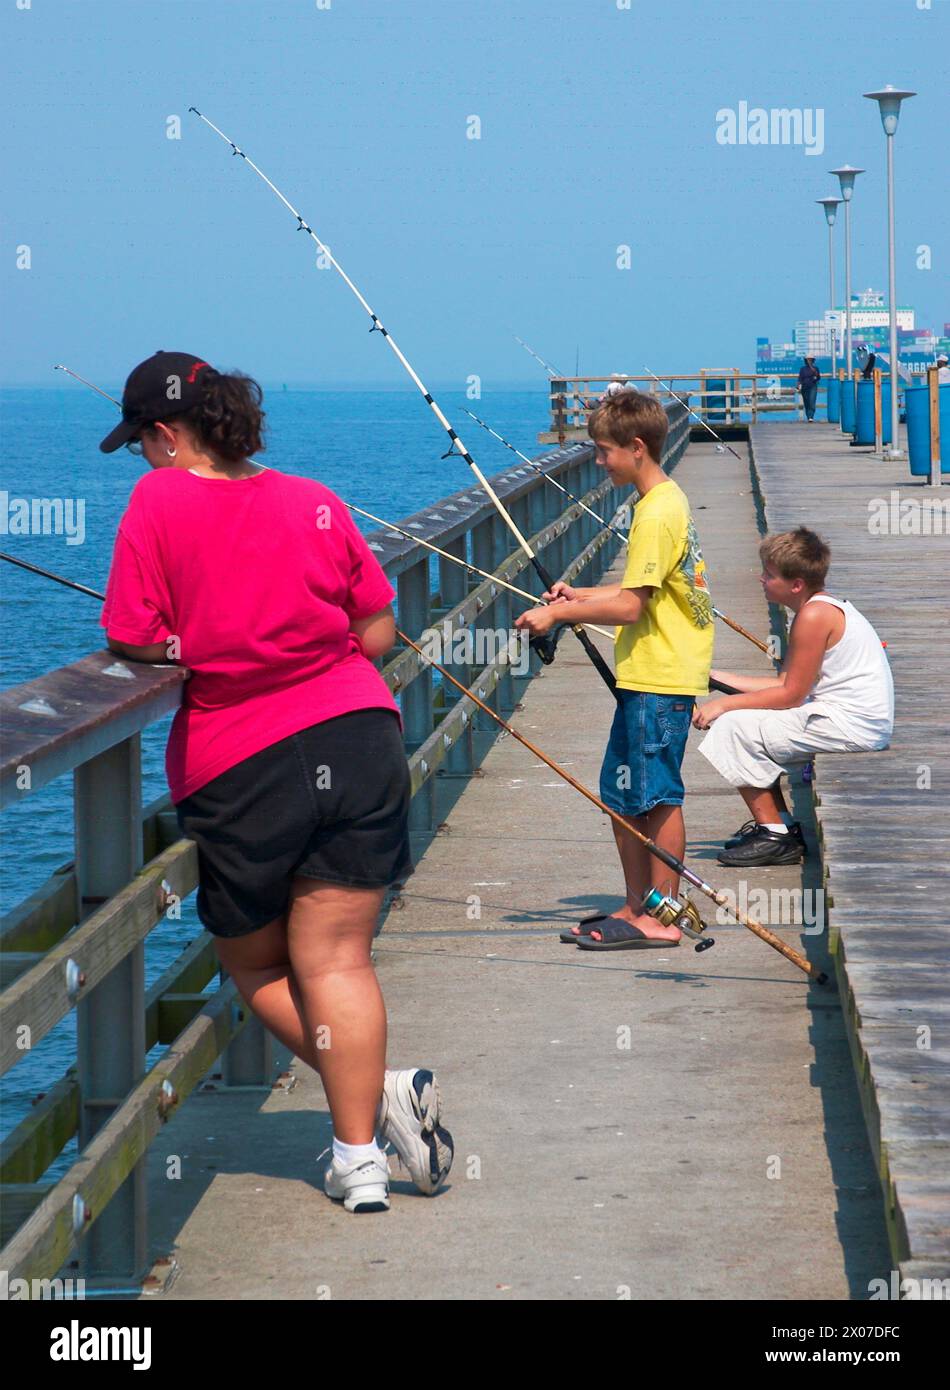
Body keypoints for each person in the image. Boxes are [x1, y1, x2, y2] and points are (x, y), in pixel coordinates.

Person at [98, 350, 453, 1214]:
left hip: (243, 760)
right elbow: (375, 630)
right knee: (339, 959)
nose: (146, 461)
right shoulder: (314, 499)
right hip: (361, 738)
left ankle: (373, 1119)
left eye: (144, 444)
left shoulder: (159, 496)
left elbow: (132, 634)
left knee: (256, 967)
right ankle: (361, 1152)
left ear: (166, 435)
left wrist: (184, 644)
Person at [516, 390, 714, 949]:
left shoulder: (655, 514)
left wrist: (555, 614)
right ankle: (637, 906)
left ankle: (664, 919)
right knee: (622, 793)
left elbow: (632, 608)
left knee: (657, 796)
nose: (599, 463)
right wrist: (579, 595)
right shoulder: (663, 500)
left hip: (660, 677)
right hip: (650, 673)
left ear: (635, 447)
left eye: (603, 452)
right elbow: (637, 591)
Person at [693, 527, 893, 867]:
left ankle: (777, 836)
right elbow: (787, 681)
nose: (761, 579)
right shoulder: (819, 608)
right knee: (745, 725)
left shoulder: (813, 617)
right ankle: (779, 825)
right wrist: (717, 678)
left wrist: (722, 704)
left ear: (796, 584)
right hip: (849, 717)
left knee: (731, 727)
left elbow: (789, 695)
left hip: (853, 725)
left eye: (769, 575)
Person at [797, 357, 821, 421]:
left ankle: (811, 416)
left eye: (810, 360)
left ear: (813, 361)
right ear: (805, 361)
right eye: (807, 360)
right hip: (804, 387)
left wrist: (812, 369)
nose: (809, 361)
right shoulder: (802, 369)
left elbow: (818, 377)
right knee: (806, 402)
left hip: (813, 386)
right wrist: (798, 385)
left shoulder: (816, 368)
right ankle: (808, 416)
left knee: (812, 401)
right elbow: (800, 378)